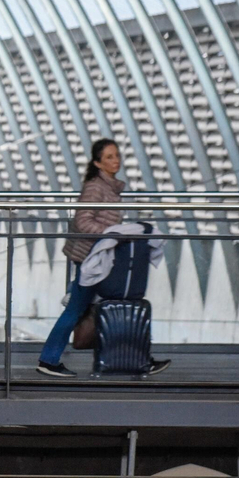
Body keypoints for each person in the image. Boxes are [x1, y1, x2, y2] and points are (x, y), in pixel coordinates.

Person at [39, 138, 169, 378]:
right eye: (109, 157)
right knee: (82, 309)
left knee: (109, 305)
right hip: (91, 260)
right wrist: (110, 235)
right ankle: (48, 360)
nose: (115, 160)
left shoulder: (109, 186)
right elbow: (82, 221)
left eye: (117, 155)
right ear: (98, 162)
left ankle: (138, 359)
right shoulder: (95, 187)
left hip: (99, 259)